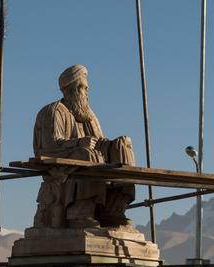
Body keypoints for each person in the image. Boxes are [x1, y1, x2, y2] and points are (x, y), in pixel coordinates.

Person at [32, 64, 136, 228]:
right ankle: (79, 213)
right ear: (70, 89)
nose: (86, 92)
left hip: (86, 155)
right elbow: (49, 146)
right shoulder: (53, 112)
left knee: (123, 147)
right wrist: (78, 142)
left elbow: (100, 141)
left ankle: (113, 211)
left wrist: (114, 145)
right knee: (87, 155)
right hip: (60, 162)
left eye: (87, 88)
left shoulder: (89, 115)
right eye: (82, 88)